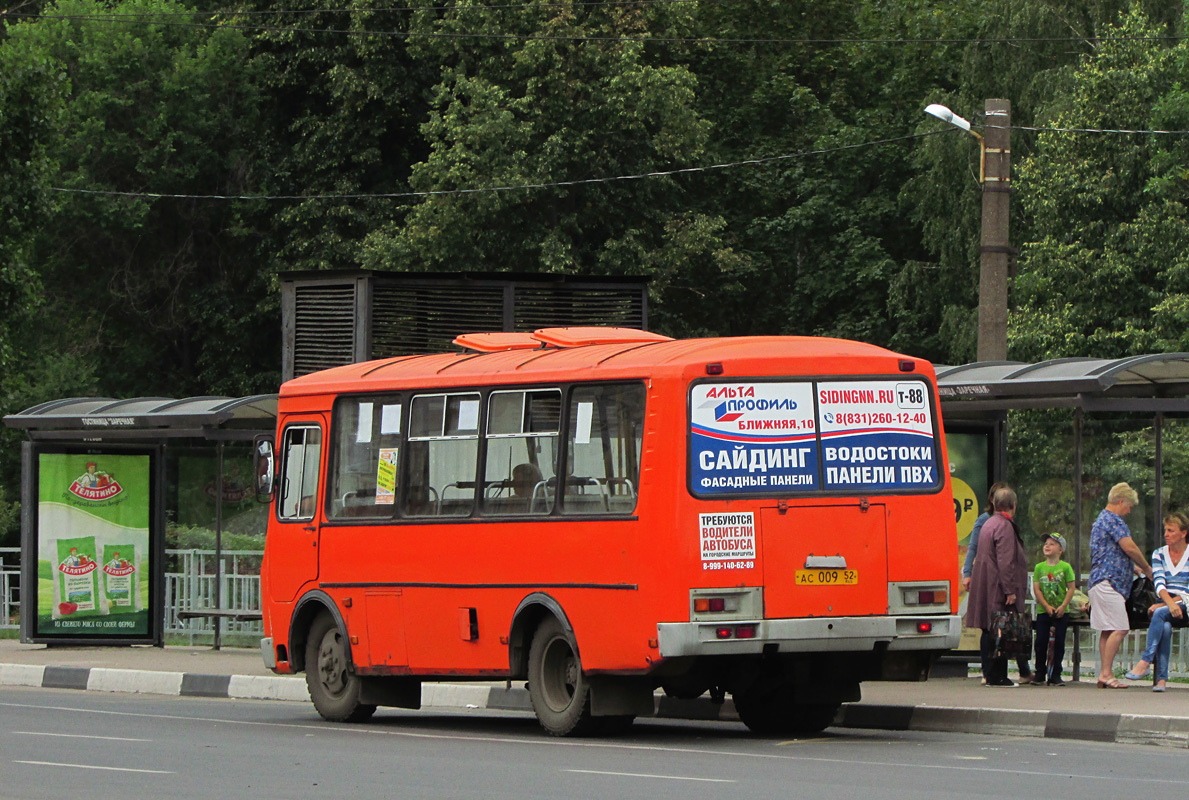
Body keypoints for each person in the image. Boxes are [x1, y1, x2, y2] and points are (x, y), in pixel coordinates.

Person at [963, 481, 1032, 681]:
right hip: (998, 587)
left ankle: (991, 674)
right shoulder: (1004, 526)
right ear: (1013, 505)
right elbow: (1005, 560)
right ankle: (998, 676)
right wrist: (1010, 590)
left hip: (988, 584)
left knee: (989, 629)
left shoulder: (989, 523)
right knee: (1000, 629)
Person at [1088, 482, 1154, 689]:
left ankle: (1103, 674)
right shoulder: (1114, 520)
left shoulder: (1102, 520)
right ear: (1121, 501)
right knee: (1121, 627)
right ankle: (1106, 673)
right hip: (1108, 582)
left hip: (1100, 581)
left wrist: (1131, 568)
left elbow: (1111, 552)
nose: (1129, 510)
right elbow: (1129, 547)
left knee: (1107, 630)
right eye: (1129, 505)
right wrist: (1146, 566)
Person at [1126, 511, 1189, 692]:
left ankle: (1145, 661)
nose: (1166, 534)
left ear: (1183, 533)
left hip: (1184, 604)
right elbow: (1159, 582)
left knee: (1160, 613)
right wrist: (1169, 604)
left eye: (1171, 530)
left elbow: (1187, 590)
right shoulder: (1159, 554)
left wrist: (1166, 604)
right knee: (1165, 626)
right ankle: (1161, 680)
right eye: (1165, 530)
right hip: (1169, 606)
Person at [1031, 533, 1075, 686]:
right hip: (1044, 611)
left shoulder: (1065, 567)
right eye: (1046, 543)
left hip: (1062, 611)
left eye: (1052, 544)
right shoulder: (1039, 567)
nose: (1047, 546)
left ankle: (1056, 673)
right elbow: (1037, 589)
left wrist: (1063, 606)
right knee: (1041, 642)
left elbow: (1071, 588)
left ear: (1060, 549)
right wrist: (1046, 606)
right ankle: (1039, 672)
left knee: (1059, 643)